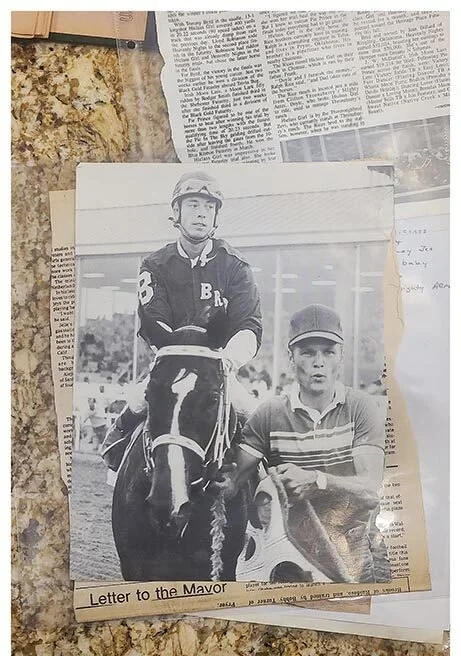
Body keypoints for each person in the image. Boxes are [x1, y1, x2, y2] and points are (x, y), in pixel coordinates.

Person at [215, 303, 389, 583]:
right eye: (307, 352)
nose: (318, 362)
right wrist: (217, 479)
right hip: (288, 558)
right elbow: (232, 483)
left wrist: (317, 481)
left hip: (352, 553)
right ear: (291, 358)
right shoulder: (270, 413)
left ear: (340, 356)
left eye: (328, 352)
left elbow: (371, 486)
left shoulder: (361, 408)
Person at [102, 171, 263, 470]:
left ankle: (263, 494)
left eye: (209, 207)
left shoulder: (235, 266)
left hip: (218, 366)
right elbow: (153, 319)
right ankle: (117, 453)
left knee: (255, 417)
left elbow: (249, 324)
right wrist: (176, 354)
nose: (201, 214)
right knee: (138, 401)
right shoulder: (154, 265)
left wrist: (229, 358)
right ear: (176, 211)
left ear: (216, 215)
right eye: (193, 205)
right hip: (170, 362)